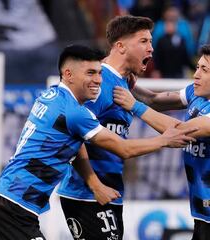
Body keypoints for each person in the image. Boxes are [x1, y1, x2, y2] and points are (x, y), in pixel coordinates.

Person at [0, 44, 196, 240]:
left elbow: (76, 148)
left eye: (100, 73)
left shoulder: (50, 96)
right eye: (90, 73)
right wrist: (164, 140)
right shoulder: (75, 113)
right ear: (68, 74)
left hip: (10, 205)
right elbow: (123, 148)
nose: (98, 80)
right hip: (12, 210)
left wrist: (95, 185)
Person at [114, 44, 210, 240]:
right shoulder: (197, 94)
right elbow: (154, 99)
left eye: (204, 70)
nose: (196, 74)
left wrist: (134, 106)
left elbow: (180, 131)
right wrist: (126, 84)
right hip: (204, 213)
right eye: (197, 67)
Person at [56, 15, 157, 240]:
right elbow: (71, 133)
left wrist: (193, 96)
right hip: (86, 194)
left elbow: (154, 100)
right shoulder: (98, 83)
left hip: (108, 191)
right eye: (144, 41)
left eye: (151, 42)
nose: (151, 49)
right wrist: (94, 185)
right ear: (120, 46)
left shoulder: (123, 81)